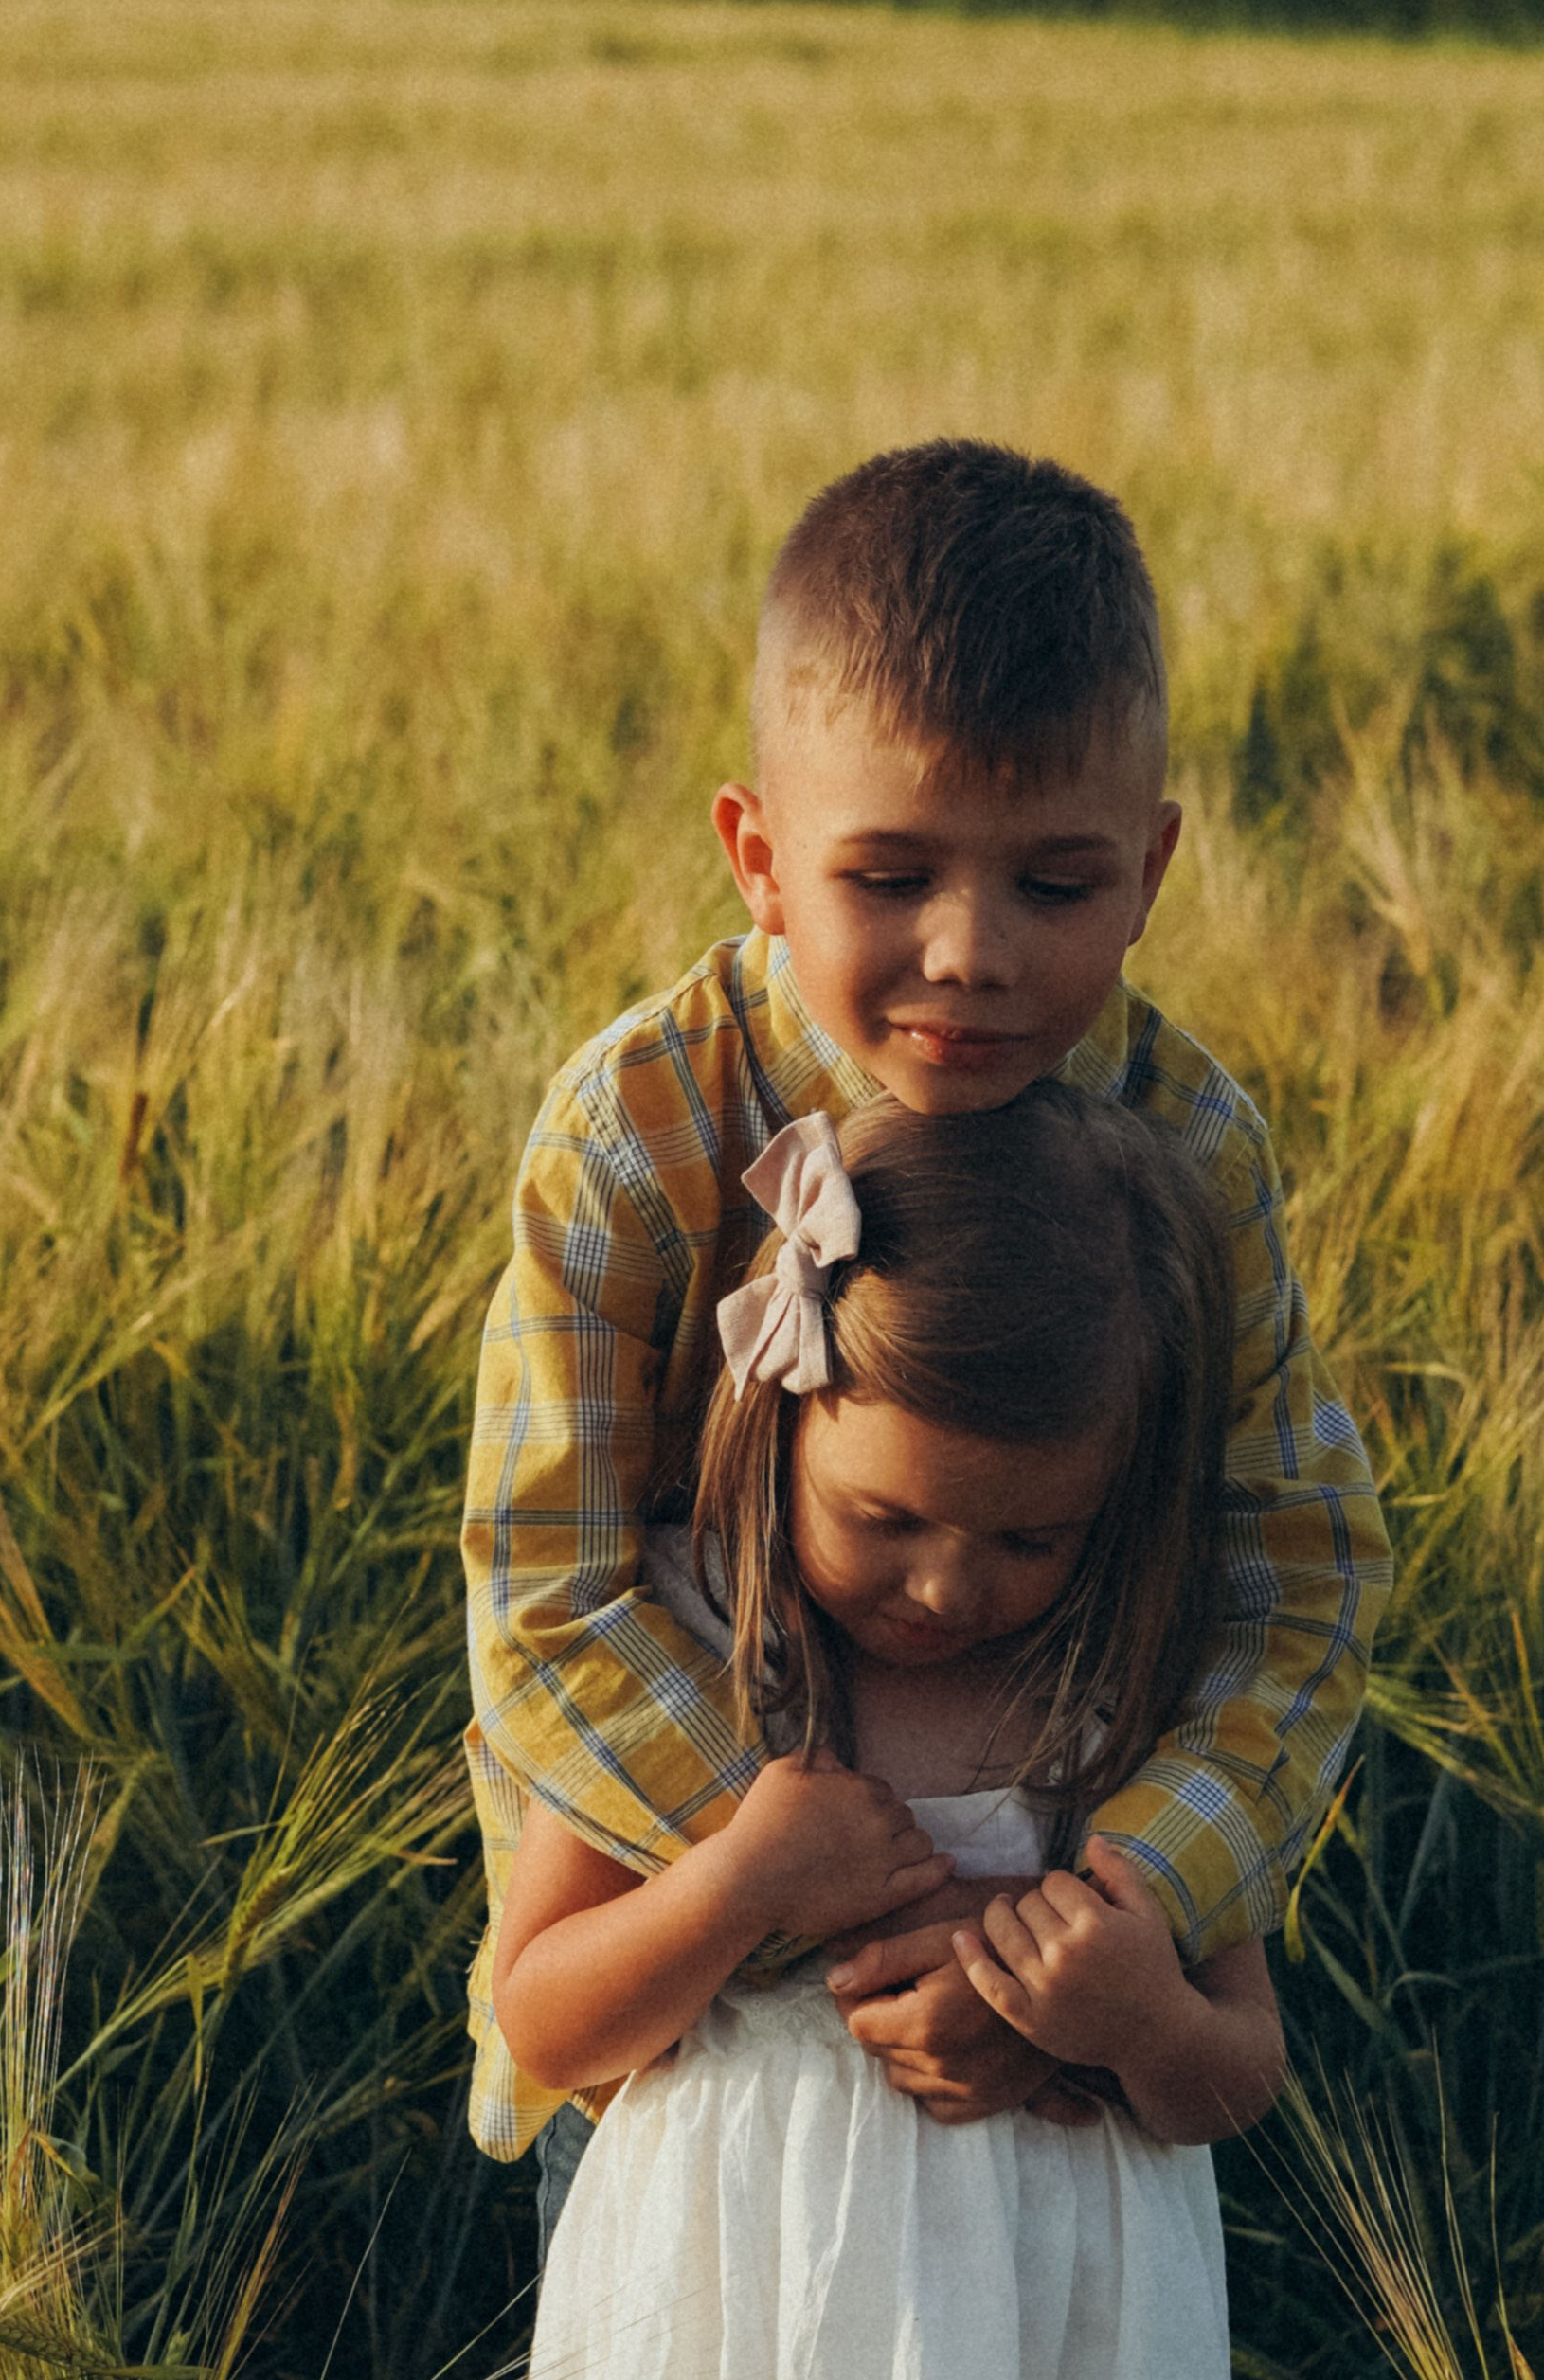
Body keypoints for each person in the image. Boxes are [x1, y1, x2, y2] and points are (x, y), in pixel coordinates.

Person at [440, 1091, 1283, 2380]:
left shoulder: (1143, 1705)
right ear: (779, 1409)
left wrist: (1128, 2007)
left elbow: (1237, 2068)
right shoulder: (687, 1659)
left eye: (1026, 1534)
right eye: (886, 1514)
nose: (946, 1581)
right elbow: (540, 2017)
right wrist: (737, 1878)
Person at [460, 439, 1389, 2225]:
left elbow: (1296, 1565)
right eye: (887, 876)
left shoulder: (1190, 1146)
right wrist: (819, 1872)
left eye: (1056, 885)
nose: (969, 952)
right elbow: (547, 1589)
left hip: (1054, 1950)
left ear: (1154, 867)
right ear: (758, 855)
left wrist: (1092, 1924)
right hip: (690, 1940)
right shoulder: (635, 1132)